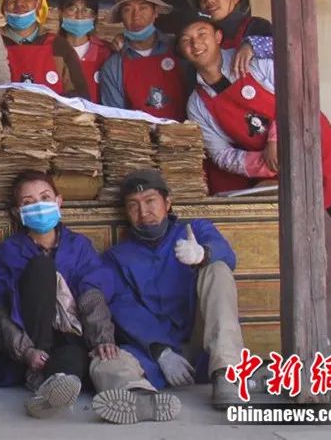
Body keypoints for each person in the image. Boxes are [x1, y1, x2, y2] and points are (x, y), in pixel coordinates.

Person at [177, 12, 331, 326]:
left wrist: (276, 138)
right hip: (276, 176)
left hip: (321, 156)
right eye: (187, 40)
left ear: (218, 37)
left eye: (202, 33)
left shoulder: (252, 60)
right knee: (295, 250)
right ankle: (307, 324)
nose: (196, 43)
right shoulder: (197, 104)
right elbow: (220, 154)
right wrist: (262, 163)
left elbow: (297, 91)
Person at [0, 171, 180, 422]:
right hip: (34, 343)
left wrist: (102, 340)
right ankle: (45, 383)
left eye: (45, 198)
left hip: (73, 339)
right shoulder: (7, 253)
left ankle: (136, 396)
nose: (39, 206)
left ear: (59, 201)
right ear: (17, 212)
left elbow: (92, 294)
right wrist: (26, 351)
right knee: (41, 267)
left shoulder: (78, 246)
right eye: (28, 202)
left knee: (96, 358)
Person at [105, 169, 249, 409]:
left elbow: (226, 253)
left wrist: (204, 254)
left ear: (167, 203)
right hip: (152, 351)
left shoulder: (195, 230)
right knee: (105, 362)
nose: (143, 212)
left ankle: (227, 373)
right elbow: (123, 306)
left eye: (150, 201)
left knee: (218, 269)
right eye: (133, 205)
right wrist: (162, 352)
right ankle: (140, 400)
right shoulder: (116, 257)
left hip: (201, 343)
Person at [100, 0, 189, 121]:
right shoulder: (113, 67)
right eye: (128, 10)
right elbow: (116, 120)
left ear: (155, 12)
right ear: (121, 16)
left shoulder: (180, 49)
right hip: (136, 135)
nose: (136, 16)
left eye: (143, 7)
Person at [0, 0, 89, 97]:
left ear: (39, 4)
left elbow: (79, 97)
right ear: (3, 6)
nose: (19, 3)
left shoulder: (59, 46)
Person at [187, 0, 273, 79]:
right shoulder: (198, 36)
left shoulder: (257, 26)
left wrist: (252, 46)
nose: (209, 0)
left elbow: (284, 49)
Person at [59, 0, 114, 103]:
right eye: (72, 9)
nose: (79, 16)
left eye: (86, 10)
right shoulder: (50, 50)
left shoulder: (106, 53)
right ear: (61, 14)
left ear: (94, 16)